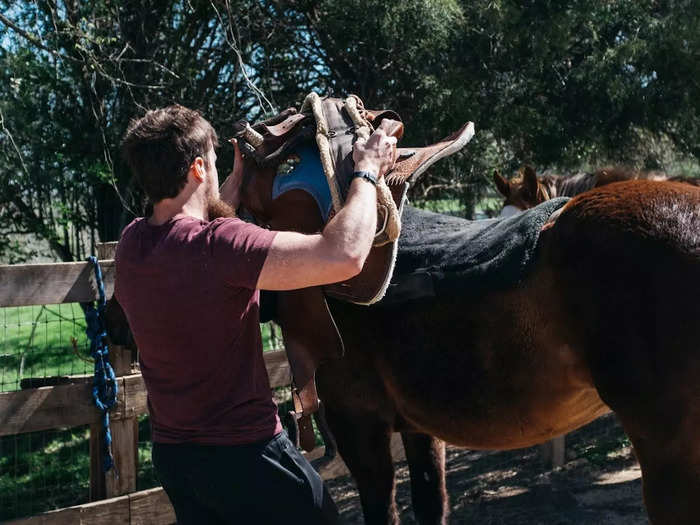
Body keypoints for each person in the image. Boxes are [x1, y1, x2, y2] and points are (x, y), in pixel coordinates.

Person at [114, 104, 397, 524]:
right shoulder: (220, 246)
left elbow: (186, 229)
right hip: (248, 456)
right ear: (195, 169)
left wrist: (228, 184)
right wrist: (368, 171)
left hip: (176, 460)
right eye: (210, 161)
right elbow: (344, 255)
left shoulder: (132, 244)